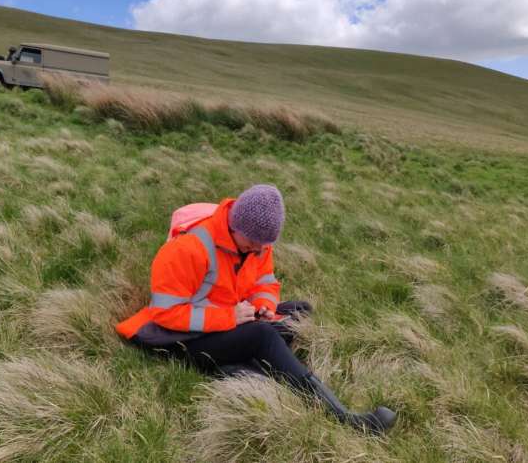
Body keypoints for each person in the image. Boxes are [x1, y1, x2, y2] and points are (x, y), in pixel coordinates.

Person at [116, 184, 397, 434]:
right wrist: (229, 317)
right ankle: (343, 416)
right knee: (263, 336)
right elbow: (166, 314)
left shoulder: (258, 245)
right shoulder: (188, 249)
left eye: (264, 246)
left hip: (230, 321)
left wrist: (264, 305)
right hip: (180, 340)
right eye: (252, 243)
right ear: (234, 226)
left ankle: (237, 368)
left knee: (299, 311)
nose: (258, 250)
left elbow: (265, 283)